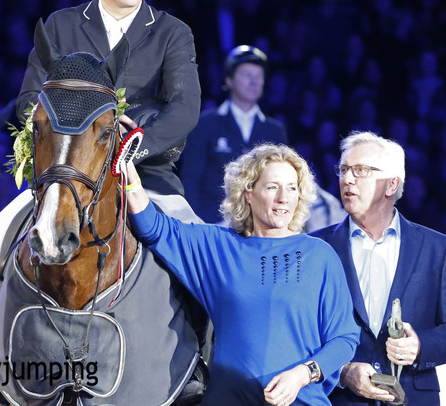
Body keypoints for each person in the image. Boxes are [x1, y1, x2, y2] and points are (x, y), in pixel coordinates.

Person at [0, 0, 201, 333]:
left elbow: (184, 109)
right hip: (68, 175)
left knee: (199, 252)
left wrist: (132, 147)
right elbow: (29, 101)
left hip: (146, 177)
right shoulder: (60, 27)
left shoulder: (172, 33)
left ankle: (201, 366)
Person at [125, 142, 359, 405]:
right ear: (248, 192)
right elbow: (152, 227)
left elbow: (344, 338)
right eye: (273, 187)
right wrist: (125, 164)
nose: (284, 198)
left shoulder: (319, 255)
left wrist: (302, 375)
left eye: (292, 188)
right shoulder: (218, 247)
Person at [311, 131, 446, 405]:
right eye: (343, 169)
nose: (347, 179)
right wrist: (341, 371)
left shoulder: (436, 248)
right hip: (339, 399)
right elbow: (298, 333)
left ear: (392, 184)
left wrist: (420, 346)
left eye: (361, 170)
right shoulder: (315, 247)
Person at [181, 45, 287, 223]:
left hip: (261, 224)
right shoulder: (206, 123)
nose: (253, 82)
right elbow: (191, 179)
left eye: (258, 77)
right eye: (246, 75)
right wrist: (195, 225)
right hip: (213, 222)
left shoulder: (274, 130)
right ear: (229, 80)